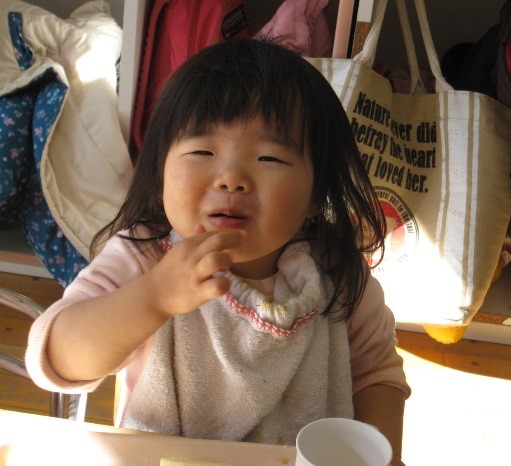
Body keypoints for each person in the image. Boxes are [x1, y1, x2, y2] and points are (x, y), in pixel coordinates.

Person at [26, 38, 410, 464]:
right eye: (202, 151)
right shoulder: (145, 257)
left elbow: (376, 374)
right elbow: (55, 358)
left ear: (316, 195)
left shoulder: (337, 273)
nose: (230, 178)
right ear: (160, 172)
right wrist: (153, 297)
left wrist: (385, 455)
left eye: (269, 158)